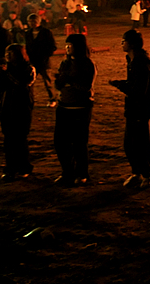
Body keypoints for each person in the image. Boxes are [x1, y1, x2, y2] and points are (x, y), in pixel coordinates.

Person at [109, 29, 150, 188]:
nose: (122, 43)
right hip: (133, 107)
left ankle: (147, 175)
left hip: (141, 108)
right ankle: (136, 172)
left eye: (124, 40)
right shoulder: (132, 60)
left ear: (132, 44)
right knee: (129, 143)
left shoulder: (142, 62)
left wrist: (122, 86)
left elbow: (140, 89)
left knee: (142, 143)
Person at [53, 34, 97, 186]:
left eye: (70, 45)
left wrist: (69, 81)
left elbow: (85, 87)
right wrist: (60, 81)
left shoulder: (87, 64)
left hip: (80, 107)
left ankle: (82, 173)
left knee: (79, 142)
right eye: (66, 45)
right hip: (64, 105)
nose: (67, 48)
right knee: (60, 142)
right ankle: (67, 172)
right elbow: (58, 83)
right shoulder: (65, 63)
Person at [0, 44, 36, 180]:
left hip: (22, 107)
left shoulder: (28, 68)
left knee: (20, 138)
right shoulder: (6, 68)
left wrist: (6, 74)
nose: (7, 56)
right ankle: (10, 168)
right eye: (6, 53)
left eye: (10, 53)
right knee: (9, 140)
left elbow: (22, 84)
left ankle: (24, 167)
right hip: (6, 107)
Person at [25, 14, 57, 106]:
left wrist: (46, 55)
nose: (32, 24)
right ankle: (29, 99)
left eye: (34, 21)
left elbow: (52, 46)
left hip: (43, 61)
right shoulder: (28, 33)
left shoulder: (46, 32)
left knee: (48, 82)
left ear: (38, 22)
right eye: (30, 22)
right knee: (29, 82)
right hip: (33, 60)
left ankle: (52, 99)